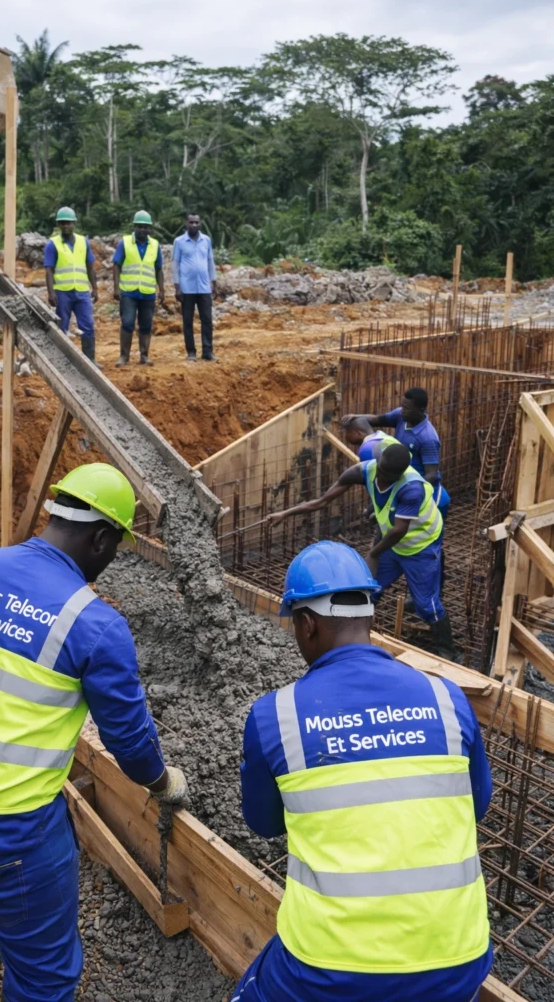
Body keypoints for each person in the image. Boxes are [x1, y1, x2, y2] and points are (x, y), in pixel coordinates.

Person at [0, 463, 187, 1002]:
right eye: (115, 549)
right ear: (101, 540)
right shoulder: (94, 624)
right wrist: (163, 783)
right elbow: (128, 741)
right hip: (2, 822)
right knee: (46, 975)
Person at [233, 540, 492, 1002]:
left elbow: (264, 823)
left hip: (328, 971)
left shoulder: (277, 716)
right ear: (369, 614)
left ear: (307, 624)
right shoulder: (447, 698)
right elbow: (477, 804)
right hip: (458, 961)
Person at [269, 444, 457, 659]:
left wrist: (374, 553)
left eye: (386, 474)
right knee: (367, 589)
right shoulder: (365, 471)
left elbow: (399, 530)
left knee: (426, 606)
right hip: (391, 544)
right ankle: (355, 638)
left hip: (420, 547)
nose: (380, 476)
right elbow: (322, 501)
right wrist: (285, 513)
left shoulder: (412, 488)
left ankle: (448, 652)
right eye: (379, 468)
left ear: (399, 474)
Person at [342, 387, 450, 522]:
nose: (402, 410)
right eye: (402, 406)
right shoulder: (401, 416)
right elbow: (378, 419)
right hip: (401, 482)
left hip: (425, 495)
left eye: (407, 408)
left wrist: (402, 494)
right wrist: (357, 417)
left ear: (421, 409)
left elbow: (431, 475)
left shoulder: (428, 438)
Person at [44, 207, 99, 365]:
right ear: (58, 225)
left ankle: (90, 360)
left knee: (87, 325)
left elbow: (90, 267)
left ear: (74, 223)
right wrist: (51, 292)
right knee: (62, 327)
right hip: (63, 293)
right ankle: (62, 362)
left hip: (82, 292)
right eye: (62, 223)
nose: (66, 226)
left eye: (68, 222)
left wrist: (95, 288)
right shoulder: (52, 244)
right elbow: (49, 270)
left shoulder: (83, 241)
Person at [112, 210, 165, 367]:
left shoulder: (155, 245)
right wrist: (116, 288)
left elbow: (159, 269)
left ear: (150, 229)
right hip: (129, 291)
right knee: (127, 322)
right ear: (134, 227)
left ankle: (144, 355)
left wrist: (161, 290)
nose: (142, 229)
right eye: (139, 226)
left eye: (145, 227)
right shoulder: (125, 243)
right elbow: (116, 265)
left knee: (146, 324)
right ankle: (124, 357)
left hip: (148, 292)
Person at [172, 212, 218, 362]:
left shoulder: (206, 240)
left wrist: (214, 283)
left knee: (207, 320)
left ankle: (207, 351)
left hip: (204, 287)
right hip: (187, 288)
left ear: (200, 223)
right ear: (186, 223)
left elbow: (210, 261)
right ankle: (191, 352)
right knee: (188, 321)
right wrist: (177, 287)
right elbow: (175, 264)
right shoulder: (179, 242)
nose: (194, 225)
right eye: (191, 222)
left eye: (196, 222)